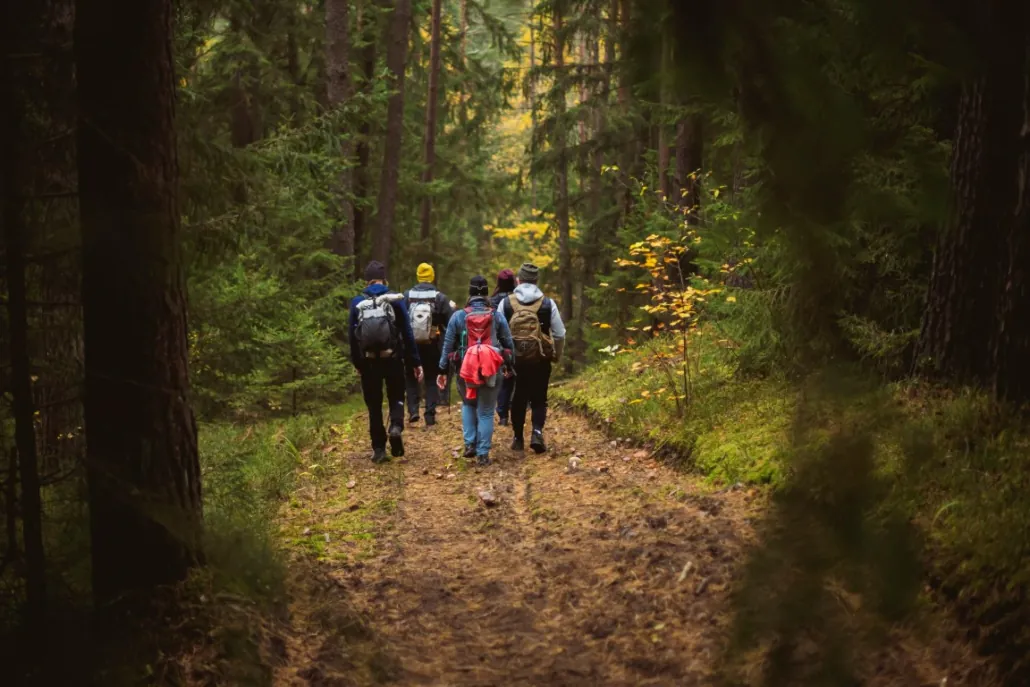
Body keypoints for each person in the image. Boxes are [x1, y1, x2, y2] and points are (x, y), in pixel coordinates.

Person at [349, 260, 423, 464]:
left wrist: (358, 363)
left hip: (369, 362)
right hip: (393, 359)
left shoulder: (357, 302)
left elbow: (352, 337)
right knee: (396, 395)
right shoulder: (396, 300)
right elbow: (407, 333)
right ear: (384, 279)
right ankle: (396, 426)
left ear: (366, 281)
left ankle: (379, 449)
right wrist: (415, 361)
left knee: (373, 406)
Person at [437, 275, 514, 466]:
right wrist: (510, 364)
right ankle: (483, 454)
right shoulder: (496, 315)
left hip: (466, 369)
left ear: (470, 293)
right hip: (491, 368)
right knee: (487, 411)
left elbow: (447, 345)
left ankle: (470, 444)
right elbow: (508, 342)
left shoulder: (458, 316)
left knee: (468, 404)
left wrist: (442, 369)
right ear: (487, 293)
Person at [501, 262, 565, 454]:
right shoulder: (547, 303)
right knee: (539, 398)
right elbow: (560, 333)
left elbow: (497, 332)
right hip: (540, 358)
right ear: (537, 281)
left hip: (515, 359)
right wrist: (556, 354)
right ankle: (537, 432)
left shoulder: (506, 303)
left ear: (518, 280)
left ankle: (518, 438)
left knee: (518, 397)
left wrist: (502, 358)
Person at [404, 262, 454, 426]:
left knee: (411, 377)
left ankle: (412, 411)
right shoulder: (439, 297)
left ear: (418, 276)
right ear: (432, 276)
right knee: (432, 378)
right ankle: (430, 415)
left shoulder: (407, 296)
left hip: (412, 345)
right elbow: (450, 322)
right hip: (433, 343)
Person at [490, 269, 517, 426]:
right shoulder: (517, 300)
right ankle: (516, 406)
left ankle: (502, 414)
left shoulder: (491, 301)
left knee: (502, 378)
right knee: (515, 376)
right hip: (517, 343)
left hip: (496, 344)